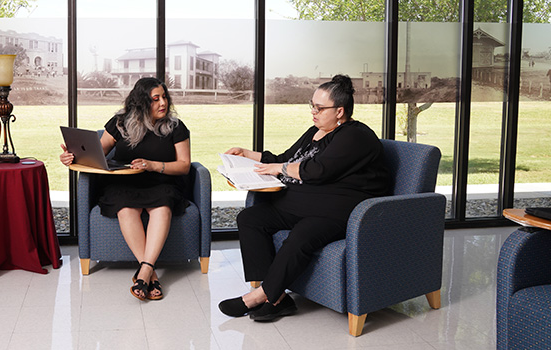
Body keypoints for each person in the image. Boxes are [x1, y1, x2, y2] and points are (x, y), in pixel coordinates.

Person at [218, 74, 391, 321]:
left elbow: (317, 170)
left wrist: (280, 169)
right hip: (306, 203)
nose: (313, 112)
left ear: (340, 111)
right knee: (250, 218)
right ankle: (277, 299)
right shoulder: (315, 131)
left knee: (303, 234)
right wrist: (247, 154)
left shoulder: (355, 135)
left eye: (320, 108)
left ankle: (257, 297)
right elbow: (285, 157)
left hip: (341, 211)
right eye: (312, 105)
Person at [59, 77, 191, 301]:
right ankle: (150, 274)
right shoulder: (120, 123)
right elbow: (95, 154)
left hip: (161, 182)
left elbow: (184, 166)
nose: (163, 103)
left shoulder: (175, 127)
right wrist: (72, 157)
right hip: (123, 183)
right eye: (155, 99)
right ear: (140, 103)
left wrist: (152, 165)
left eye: (164, 97)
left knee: (163, 206)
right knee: (125, 208)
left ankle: (144, 273)